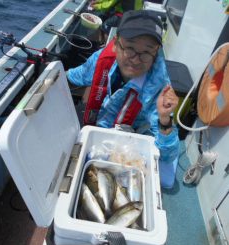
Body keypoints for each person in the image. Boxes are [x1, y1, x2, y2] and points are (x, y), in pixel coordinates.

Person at [67, 10, 180, 188]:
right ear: (115, 44)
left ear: (156, 53)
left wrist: (165, 119)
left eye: (146, 52)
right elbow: (74, 77)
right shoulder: (100, 60)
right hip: (93, 132)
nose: (135, 59)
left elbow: (168, 155)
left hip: (127, 146)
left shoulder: (159, 88)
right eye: (130, 48)